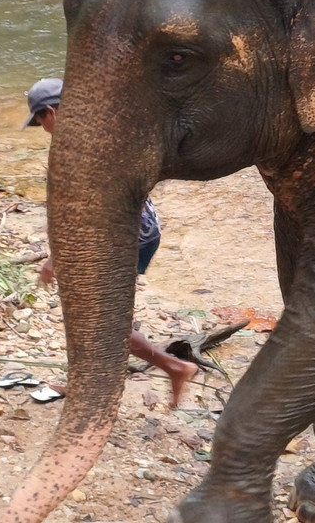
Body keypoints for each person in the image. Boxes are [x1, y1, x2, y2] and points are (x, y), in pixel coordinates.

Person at [22, 77, 198, 407]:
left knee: (101, 320)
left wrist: (54, 260)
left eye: (39, 121)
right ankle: (92, 379)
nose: (42, 129)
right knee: (103, 316)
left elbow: (77, 212)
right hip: (145, 229)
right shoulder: (107, 128)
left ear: (51, 112)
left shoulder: (77, 147)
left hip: (122, 237)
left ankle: (174, 367)